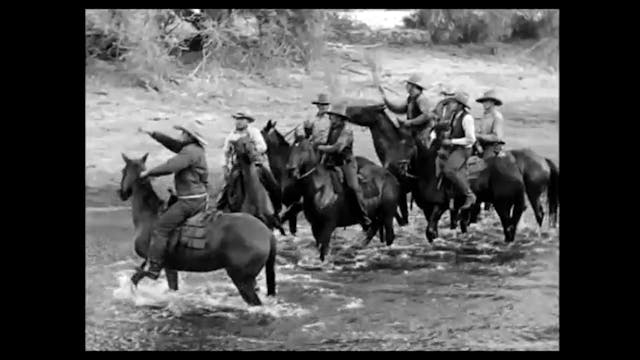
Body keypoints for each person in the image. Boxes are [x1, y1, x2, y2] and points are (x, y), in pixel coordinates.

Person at [134, 120, 210, 280]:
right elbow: (173, 144)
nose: (180, 135)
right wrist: (153, 134)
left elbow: (171, 166)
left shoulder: (189, 152)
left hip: (189, 200)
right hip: (198, 196)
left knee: (160, 228)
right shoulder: (193, 149)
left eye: (182, 132)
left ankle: (154, 268)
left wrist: (149, 173)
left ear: (188, 136)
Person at [318, 101, 372, 230]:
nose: (331, 118)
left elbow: (337, 148)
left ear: (340, 118)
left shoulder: (346, 131)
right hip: (331, 162)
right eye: (331, 116)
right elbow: (325, 141)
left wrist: (320, 147)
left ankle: (363, 217)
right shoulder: (332, 128)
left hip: (345, 163)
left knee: (353, 187)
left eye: (333, 116)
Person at [216, 112, 281, 212]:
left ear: (247, 121)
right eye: (237, 119)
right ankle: (220, 208)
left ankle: (276, 210)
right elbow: (225, 152)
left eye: (242, 119)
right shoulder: (231, 136)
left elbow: (263, 146)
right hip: (238, 166)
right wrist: (225, 166)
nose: (239, 121)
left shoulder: (254, 132)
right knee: (227, 186)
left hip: (256, 164)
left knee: (273, 184)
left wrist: (252, 151)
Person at [438, 91, 477, 210]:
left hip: (463, 150)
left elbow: (471, 139)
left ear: (459, 104)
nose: (450, 104)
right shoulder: (455, 116)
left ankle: (469, 194)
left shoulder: (467, 118)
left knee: (449, 169)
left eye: (453, 102)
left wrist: (452, 142)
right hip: (455, 148)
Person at [378, 74, 437, 149]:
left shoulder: (421, 99)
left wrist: (411, 122)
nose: (406, 86)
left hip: (423, 131)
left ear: (413, 86)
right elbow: (400, 109)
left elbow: (425, 116)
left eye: (408, 84)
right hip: (413, 130)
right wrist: (386, 101)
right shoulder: (411, 98)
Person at [475, 89, 505, 159]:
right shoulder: (484, 116)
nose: (484, 103)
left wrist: (479, 136)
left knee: (484, 164)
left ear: (492, 102)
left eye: (486, 101)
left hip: (492, 146)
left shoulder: (497, 117)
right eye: (483, 101)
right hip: (481, 144)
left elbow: (496, 137)